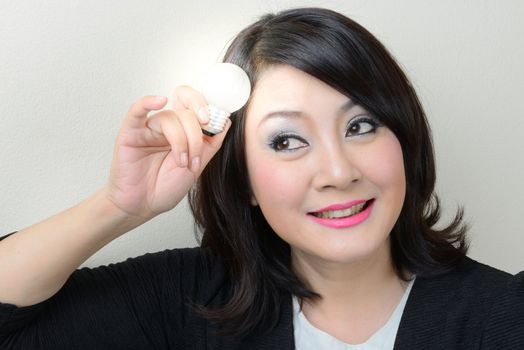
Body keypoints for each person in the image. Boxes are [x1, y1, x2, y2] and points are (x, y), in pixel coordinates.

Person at [0, 7, 522, 350]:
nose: (339, 173)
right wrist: (120, 206)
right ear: (244, 179)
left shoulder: (501, 315)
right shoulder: (191, 300)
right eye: (287, 141)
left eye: (361, 125)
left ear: (404, 140)